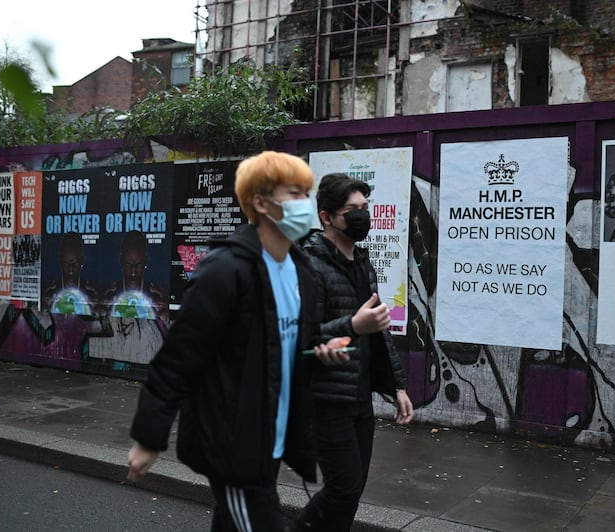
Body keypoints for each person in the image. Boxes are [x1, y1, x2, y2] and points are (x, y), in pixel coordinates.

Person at [126, 151, 350, 532]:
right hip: (232, 443)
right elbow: (178, 358)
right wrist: (149, 438)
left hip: (270, 438)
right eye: (294, 193)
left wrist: (319, 353)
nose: (304, 204)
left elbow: (287, 346)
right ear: (260, 203)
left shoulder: (302, 273)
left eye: (306, 193)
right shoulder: (225, 270)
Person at [297, 173, 414, 531]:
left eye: (365, 207)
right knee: (343, 488)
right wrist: (351, 327)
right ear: (326, 217)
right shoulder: (308, 265)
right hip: (324, 399)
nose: (363, 215)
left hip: (359, 397)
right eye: (352, 210)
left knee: (351, 490)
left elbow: (378, 335)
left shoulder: (363, 262)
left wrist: (397, 386)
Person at [103, 230, 168, 320]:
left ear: (145, 261)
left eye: (138, 264)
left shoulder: (158, 295)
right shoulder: (109, 294)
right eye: (128, 264)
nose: (133, 271)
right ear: (121, 261)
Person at [42, 231, 98, 315]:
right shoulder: (49, 291)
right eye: (66, 263)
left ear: (81, 261)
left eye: (74, 263)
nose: (70, 269)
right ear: (60, 261)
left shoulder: (92, 292)